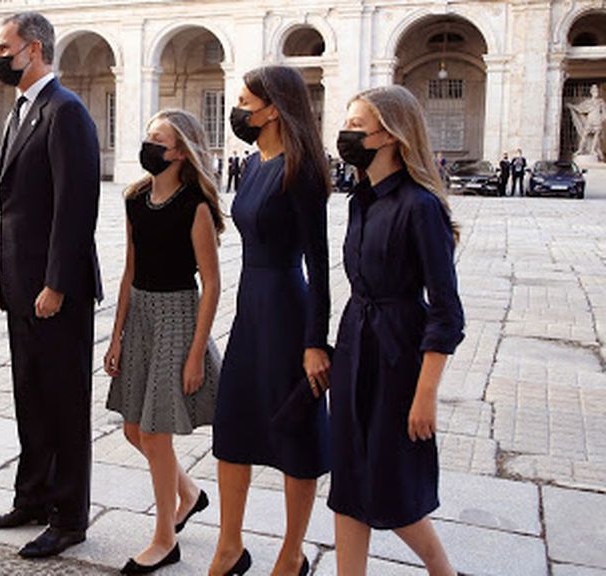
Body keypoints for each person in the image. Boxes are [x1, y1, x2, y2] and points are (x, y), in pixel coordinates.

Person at [0, 11, 103, 560]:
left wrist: (55, 283)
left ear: (34, 49)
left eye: (5, 48)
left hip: (57, 292)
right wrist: (8, 279)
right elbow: (16, 210)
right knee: (29, 395)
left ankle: (70, 515)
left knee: (63, 401)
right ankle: (32, 496)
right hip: (22, 286)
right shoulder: (22, 112)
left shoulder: (66, 112)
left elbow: (76, 210)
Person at [329, 85, 465, 576]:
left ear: (390, 134)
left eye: (356, 127)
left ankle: (442, 571)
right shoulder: (358, 200)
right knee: (348, 479)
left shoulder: (420, 206)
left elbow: (447, 311)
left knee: (390, 483)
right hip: (354, 344)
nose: (345, 135)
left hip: (398, 353)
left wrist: (425, 393)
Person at [209, 65, 332, 576]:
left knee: (295, 435)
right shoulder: (256, 163)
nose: (238, 110)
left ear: (273, 109)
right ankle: (229, 545)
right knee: (233, 428)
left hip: (286, 306)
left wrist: (315, 341)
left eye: (244, 102)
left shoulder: (300, 170)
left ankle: (292, 553)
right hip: (251, 308)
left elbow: (320, 263)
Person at [104, 109, 224, 574]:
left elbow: (211, 284)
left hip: (177, 316)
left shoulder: (195, 205)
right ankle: (189, 493)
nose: (149, 146)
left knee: (155, 432)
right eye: (148, 136)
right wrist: (115, 336)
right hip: (140, 315)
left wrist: (197, 353)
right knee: (134, 429)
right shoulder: (135, 198)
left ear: (180, 152)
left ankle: (164, 538)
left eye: (158, 140)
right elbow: (129, 268)